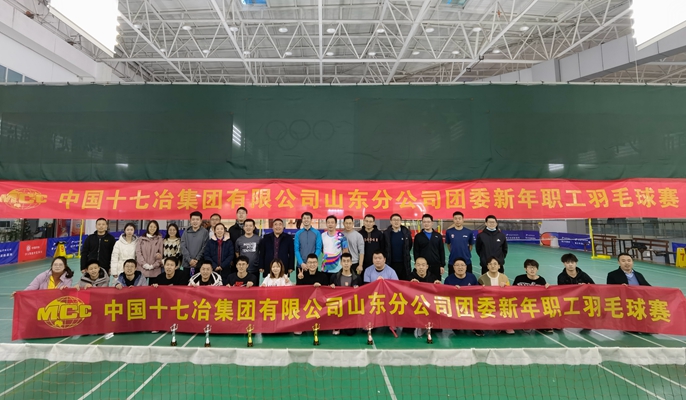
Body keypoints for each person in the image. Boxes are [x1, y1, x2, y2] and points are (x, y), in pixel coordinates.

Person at [478, 257, 513, 334]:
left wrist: (505, 286)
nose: (493, 266)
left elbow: (509, 293)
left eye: (495, 264)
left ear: (499, 266)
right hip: (488, 303)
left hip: (501, 303)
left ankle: (505, 325)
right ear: (487, 266)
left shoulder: (504, 278)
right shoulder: (482, 279)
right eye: (490, 264)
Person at [412, 214, 445, 279]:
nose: (426, 224)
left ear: (432, 223)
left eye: (428, 222)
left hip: (436, 266)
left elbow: (441, 251)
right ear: (422, 223)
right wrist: (418, 265)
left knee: (436, 283)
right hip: (423, 267)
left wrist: (442, 265)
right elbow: (416, 252)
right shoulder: (418, 236)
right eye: (424, 222)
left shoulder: (438, 236)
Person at [382, 213, 412, 281]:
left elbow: (409, 246)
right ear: (391, 221)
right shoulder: (386, 234)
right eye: (394, 220)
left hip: (404, 263)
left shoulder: (406, 233)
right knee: (391, 282)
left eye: (398, 220)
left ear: (401, 221)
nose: (396, 222)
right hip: (390, 263)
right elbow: (383, 247)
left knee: (404, 282)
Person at [180, 211, 209, 275]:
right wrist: (189, 260)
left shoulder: (205, 232)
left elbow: (205, 247)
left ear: (201, 221)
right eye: (193, 219)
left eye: (197, 219)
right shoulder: (186, 232)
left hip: (199, 264)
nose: (195, 221)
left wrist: (197, 259)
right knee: (185, 280)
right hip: (186, 264)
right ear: (190, 220)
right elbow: (183, 246)